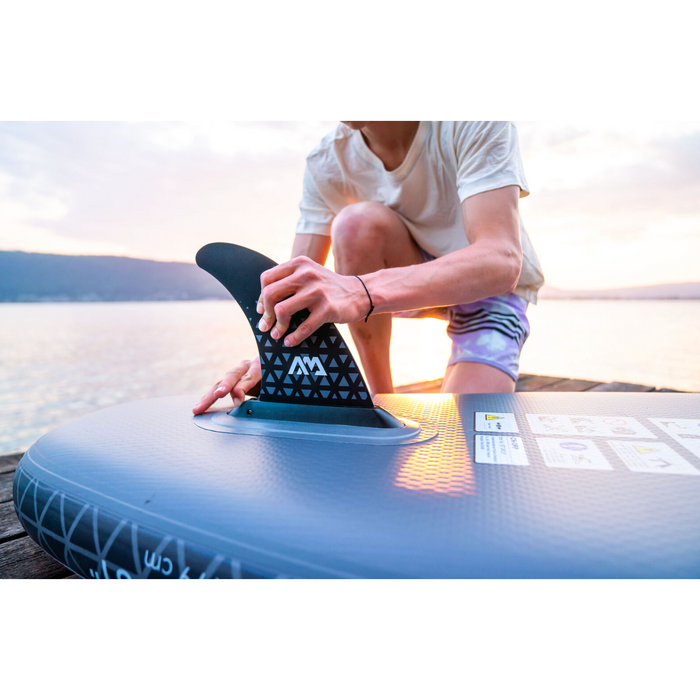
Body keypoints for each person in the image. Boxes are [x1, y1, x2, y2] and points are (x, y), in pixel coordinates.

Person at [193, 121, 544, 415]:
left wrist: (359, 291)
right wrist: (276, 360)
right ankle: (379, 404)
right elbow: (290, 291)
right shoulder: (327, 161)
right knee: (354, 225)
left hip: (487, 289)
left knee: (471, 432)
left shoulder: (472, 121)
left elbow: (502, 259)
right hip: (402, 281)